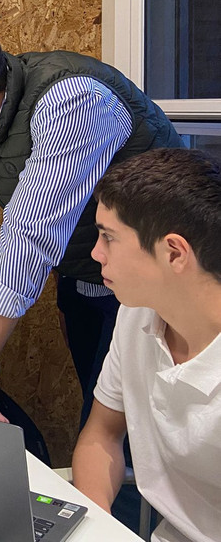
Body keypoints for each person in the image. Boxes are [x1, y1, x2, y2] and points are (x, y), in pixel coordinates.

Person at [0, 15, 183, 423]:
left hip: (158, 283)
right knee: (99, 408)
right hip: (91, 274)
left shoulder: (72, 101)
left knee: (125, 429)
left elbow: (28, 237)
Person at [72, 148, 221, 542]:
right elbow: (101, 436)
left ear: (174, 252)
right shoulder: (138, 312)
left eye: (108, 237)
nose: (95, 253)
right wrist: (97, 528)